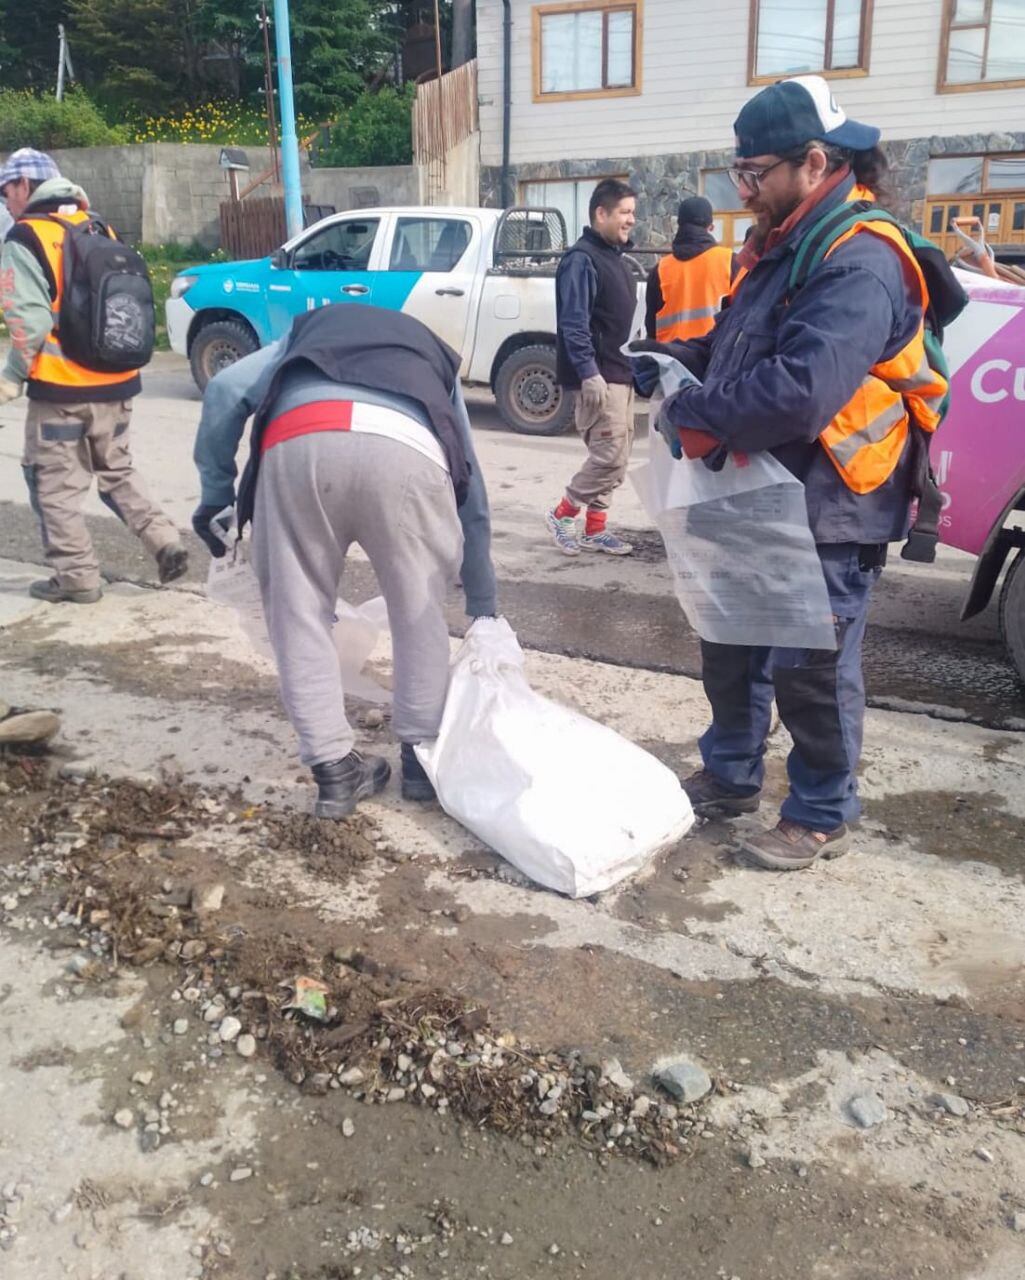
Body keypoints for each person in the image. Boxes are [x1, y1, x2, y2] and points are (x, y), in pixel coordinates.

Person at [632, 76, 953, 871]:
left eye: (754, 172)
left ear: (814, 162)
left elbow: (802, 390)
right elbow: (737, 344)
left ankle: (820, 810)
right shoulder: (781, 244)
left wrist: (693, 414)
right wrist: (673, 359)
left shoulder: (861, 259)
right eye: (736, 171)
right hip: (757, 488)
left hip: (833, 498)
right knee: (730, 640)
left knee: (811, 666)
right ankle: (730, 774)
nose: (741, 189)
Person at [192, 303, 498, 819]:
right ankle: (421, 761)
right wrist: (483, 598)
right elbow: (470, 477)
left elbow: (224, 390)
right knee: (418, 610)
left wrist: (216, 493)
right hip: (408, 451)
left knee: (298, 612)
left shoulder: (306, 334)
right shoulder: (429, 355)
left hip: (298, 439)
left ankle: (334, 771)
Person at [0, 148, 188, 604]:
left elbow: (29, 320)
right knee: (117, 471)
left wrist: (11, 376)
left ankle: (77, 579)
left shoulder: (26, 236)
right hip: (116, 383)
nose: (6, 202)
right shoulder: (99, 227)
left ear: (25, 185)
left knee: (55, 488)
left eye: (6, 191)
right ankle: (165, 540)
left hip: (61, 391)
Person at [545, 178, 639, 557]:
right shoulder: (581, 260)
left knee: (619, 458)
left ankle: (595, 529)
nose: (631, 220)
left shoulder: (614, 259)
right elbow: (574, 322)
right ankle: (562, 513)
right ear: (601, 213)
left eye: (632, 213)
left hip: (620, 373)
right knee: (608, 456)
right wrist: (588, 371)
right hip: (599, 377)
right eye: (624, 212)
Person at [644, 196, 736, 343]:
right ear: (711, 227)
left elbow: (651, 327)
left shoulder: (660, 269)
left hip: (670, 354)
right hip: (713, 353)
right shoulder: (730, 261)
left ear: (679, 225)